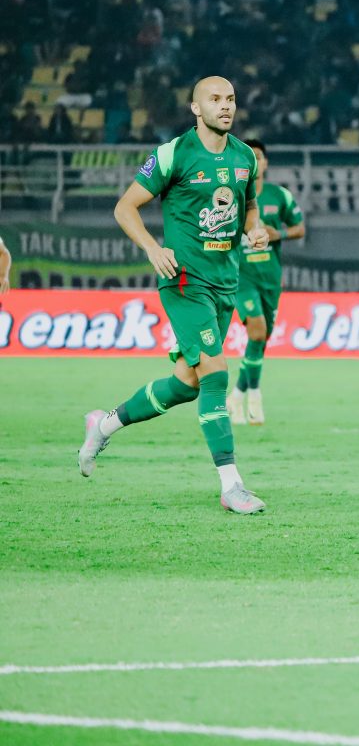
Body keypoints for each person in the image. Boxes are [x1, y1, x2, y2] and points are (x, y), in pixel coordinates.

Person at [76, 77, 268, 514]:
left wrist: (253, 230)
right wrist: (152, 248)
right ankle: (231, 484)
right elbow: (125, 207)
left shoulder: (243, 157)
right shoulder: (173, 154)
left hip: (225, 283)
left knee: (187, 384)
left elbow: (248, 207)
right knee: (217, 375)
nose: (225, 107)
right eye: (215, 100)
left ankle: (103, 425)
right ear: (195, 109)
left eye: (231, 99)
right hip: (184, 281)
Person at [228, 140, 306, 426]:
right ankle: (255, 397)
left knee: (259, 341)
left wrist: (279, 234)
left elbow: (299, 228)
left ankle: (236, 395)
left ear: (265, 163)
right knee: (258, 332)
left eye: (258, 157)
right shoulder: (231, 196)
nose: (255, 162)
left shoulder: (279, 195)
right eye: (249, 157)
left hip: (271, 279)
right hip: (242, 277)